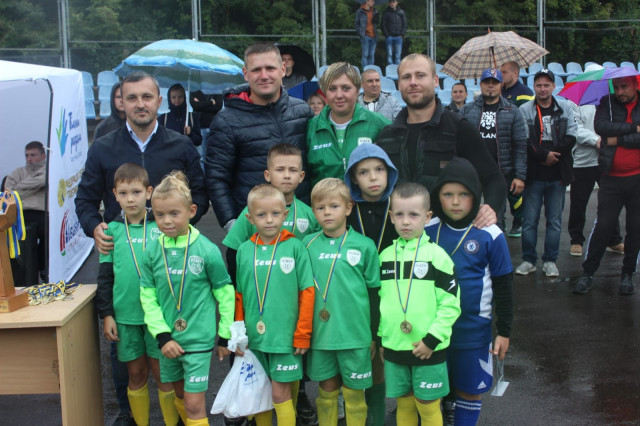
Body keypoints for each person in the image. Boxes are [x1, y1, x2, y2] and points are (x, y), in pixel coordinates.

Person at [221, 144, 320, 425]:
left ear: (301, 176)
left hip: (288, 318)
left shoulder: (307, 216)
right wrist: (236, 327)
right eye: (280, 169)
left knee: (284, 386)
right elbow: (236, 265)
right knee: (261, 390)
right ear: (268, 174)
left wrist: (304, 327)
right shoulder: (250, 223)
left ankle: (298, 401)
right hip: (257, 321)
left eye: (292, 170)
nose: (286, 175)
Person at [75, 71, 208, 255]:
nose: (140, 104)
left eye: (147, 97)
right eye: (132, 98)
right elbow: (85, 199)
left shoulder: (182, 146)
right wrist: (94, 227)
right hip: (120, 249)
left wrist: (182, 223)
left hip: (172, 249)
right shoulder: (102, 148)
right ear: (122, 102)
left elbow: (200, 194)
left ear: (159, 101)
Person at [140, 171, 234, 426]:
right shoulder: (152, 251)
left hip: (197, 339)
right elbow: (147, 296)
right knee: (179, 394)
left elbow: (225, 292)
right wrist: (162, 335)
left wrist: (225, 334)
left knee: (194, 404)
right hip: (167, 339)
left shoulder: (206, 250)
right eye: (160, 215)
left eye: (174, 213)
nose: (166, 221)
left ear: (191, 211)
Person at [425, 158, 513, 426]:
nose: (455, 202)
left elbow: (504, 287)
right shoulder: (426, 230)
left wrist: (504, 332)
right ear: (437, 196)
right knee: (428, 394)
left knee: (469, 391)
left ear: (475, 195)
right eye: (447, 194)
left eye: (463, 194)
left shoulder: (490, 234)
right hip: (431, 331)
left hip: (473, 333)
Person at [375, 53, 507, 229]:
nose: (413, 82)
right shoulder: (387, 136)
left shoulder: (459, 128)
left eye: (420, 75)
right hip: (399, 235)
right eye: (406, 77)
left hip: (447, 235)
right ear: (399, 84)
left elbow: (494, 178)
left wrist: (490, 208)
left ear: (435, 80)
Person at [96, 163, 179, 426]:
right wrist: (107, 315)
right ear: (114, 195)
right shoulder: (111, 231)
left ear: (149, 192)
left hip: (159, 317)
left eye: (136, 192)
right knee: (136, 374)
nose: (130, 199)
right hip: (126, 316)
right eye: (123, 193)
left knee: (163, 375)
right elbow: (105, 277)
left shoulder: (161, 226)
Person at [206, 42, 314, 236]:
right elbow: (216, 178)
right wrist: (231, 223)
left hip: (302, 230)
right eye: (256, 70)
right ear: (245, 73)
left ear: (283, 69)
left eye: (270, 68)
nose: (264, 76)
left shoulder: (302, 112)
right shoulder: (226, 121)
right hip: (252, 233)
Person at [378, 182, 460, 425]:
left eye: (413, 215)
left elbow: (451, 305)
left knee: (428, 405)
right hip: (394, 346)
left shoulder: (438, 257)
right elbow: (381, 302)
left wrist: (431, 340)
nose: (405, 221)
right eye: (399, 214)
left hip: (428, 348)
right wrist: (383, 339)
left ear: (427, 217)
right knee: (403, 403)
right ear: (391, 217)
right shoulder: (384, 257)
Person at [303, 178, 380, 426]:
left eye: (334, 206)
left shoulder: (365, 246)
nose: (327, 212)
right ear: (313, 211)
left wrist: (374, 335)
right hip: (321, 336)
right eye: (320, 207)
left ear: (348, 208)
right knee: (327, 390)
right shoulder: (306, 245)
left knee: (355, 393)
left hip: (355, 336)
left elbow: (374, 294)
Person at [344, 143, 398, 426]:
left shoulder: (397, 208)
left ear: (390, 172)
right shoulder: (348, 211)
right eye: (364, 172)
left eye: (379, 170)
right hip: (356, 296)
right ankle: (356, 412)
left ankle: (377, 415)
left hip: (391, 295)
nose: (373, 177)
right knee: (357, 354)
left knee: (380, 360)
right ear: (353, 178)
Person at [573, 75, 640, 295]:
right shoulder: (607, 102)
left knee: (635, 229)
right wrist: (634, 128)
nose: (620, 92)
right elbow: (601, 127)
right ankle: (587, 273)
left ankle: (627, 274)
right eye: (617, 87)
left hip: (637, 179)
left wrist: (616, 138)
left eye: (624, 87)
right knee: (603, 226)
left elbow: (611, 135)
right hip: (611, 178)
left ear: (635, 85)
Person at [515, 69, 577, 277]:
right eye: (539, 85)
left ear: (553, 87)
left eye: (547, 85)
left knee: (554, 221)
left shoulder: (565, 107)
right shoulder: (525, 109)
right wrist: (543, 156)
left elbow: (572, 135)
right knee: (529, 221)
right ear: (534, 87)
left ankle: (550, 260)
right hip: (534, 174)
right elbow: (524, 138)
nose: (543, 89)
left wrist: (554, 155)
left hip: (558, 173)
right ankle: (528, 259)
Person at [459, 69, 528, 237]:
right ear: (480, 85)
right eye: (487, 82)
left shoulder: (512, 111)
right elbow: (457, 140)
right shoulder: (467, 110)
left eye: (495, 83)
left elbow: (520, 145)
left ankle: (495, 252)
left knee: (495, 219)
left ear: (501, 85)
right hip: (472, 172)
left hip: (500, 173)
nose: (491, 86)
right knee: (467, 216)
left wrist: (520, 176)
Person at [568, 66, 623, 257]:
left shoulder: (613, 101)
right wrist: (596, 140)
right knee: (579, 202)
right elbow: (575, 128)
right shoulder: (576, 101)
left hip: (607, 159)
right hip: (583, 161)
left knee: (610, 201)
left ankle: (613, 240)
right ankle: (576, 240)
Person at [306, 62, 391, 187]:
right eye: (332, 89)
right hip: (324, 199)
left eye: (346, 88)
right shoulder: (310, 127)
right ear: (325, 93)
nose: (339, 95)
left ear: (357, 90)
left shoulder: (379, 124)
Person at [4, 141, 47, 280]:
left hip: (40, 212)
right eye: (27, 155)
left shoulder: (49, 171)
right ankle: (16, 272)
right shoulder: (17, 172)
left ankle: (41, 267)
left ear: (43, 156)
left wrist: (18, 190)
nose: (29, 159)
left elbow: (44, 180)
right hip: (18, 212)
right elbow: (8, 193)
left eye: (33, 155)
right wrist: (34, 187)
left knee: (48, 233)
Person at [189, 90, 223, 169]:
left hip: (214, 127)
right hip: (200, 127)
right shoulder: (195, 89)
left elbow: (218, 107)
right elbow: (195, 106)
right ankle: (202, 176)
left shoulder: (217, 89)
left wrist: (201, 104)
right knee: (201, 157)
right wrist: (211, 102)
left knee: (214, 157)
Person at [381, 0, 407, 65]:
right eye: (390, 2)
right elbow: (383, 25)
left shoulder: (401, 12)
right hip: (389, 36)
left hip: (398, 37)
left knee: (398, 55)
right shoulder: (386, 13)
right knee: (389, 54)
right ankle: (390, 68)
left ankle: (397, 69)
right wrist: (387, 35)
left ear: (397, 3)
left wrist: (402, 34)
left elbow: (404, 24)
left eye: (393, 2)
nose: (392, 4)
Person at [355, 0, 378, 68]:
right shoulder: (360, 11)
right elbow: (356, 24)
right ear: (367, 1)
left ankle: (371, 70)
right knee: (365, 54)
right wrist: (361, 33)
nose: (373, 3)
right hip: (365, 36)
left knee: (371, 55)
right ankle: (365, 70)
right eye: (372, 1)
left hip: (374, 36)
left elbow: (376, 23)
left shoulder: (374, 11)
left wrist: (377, 18)